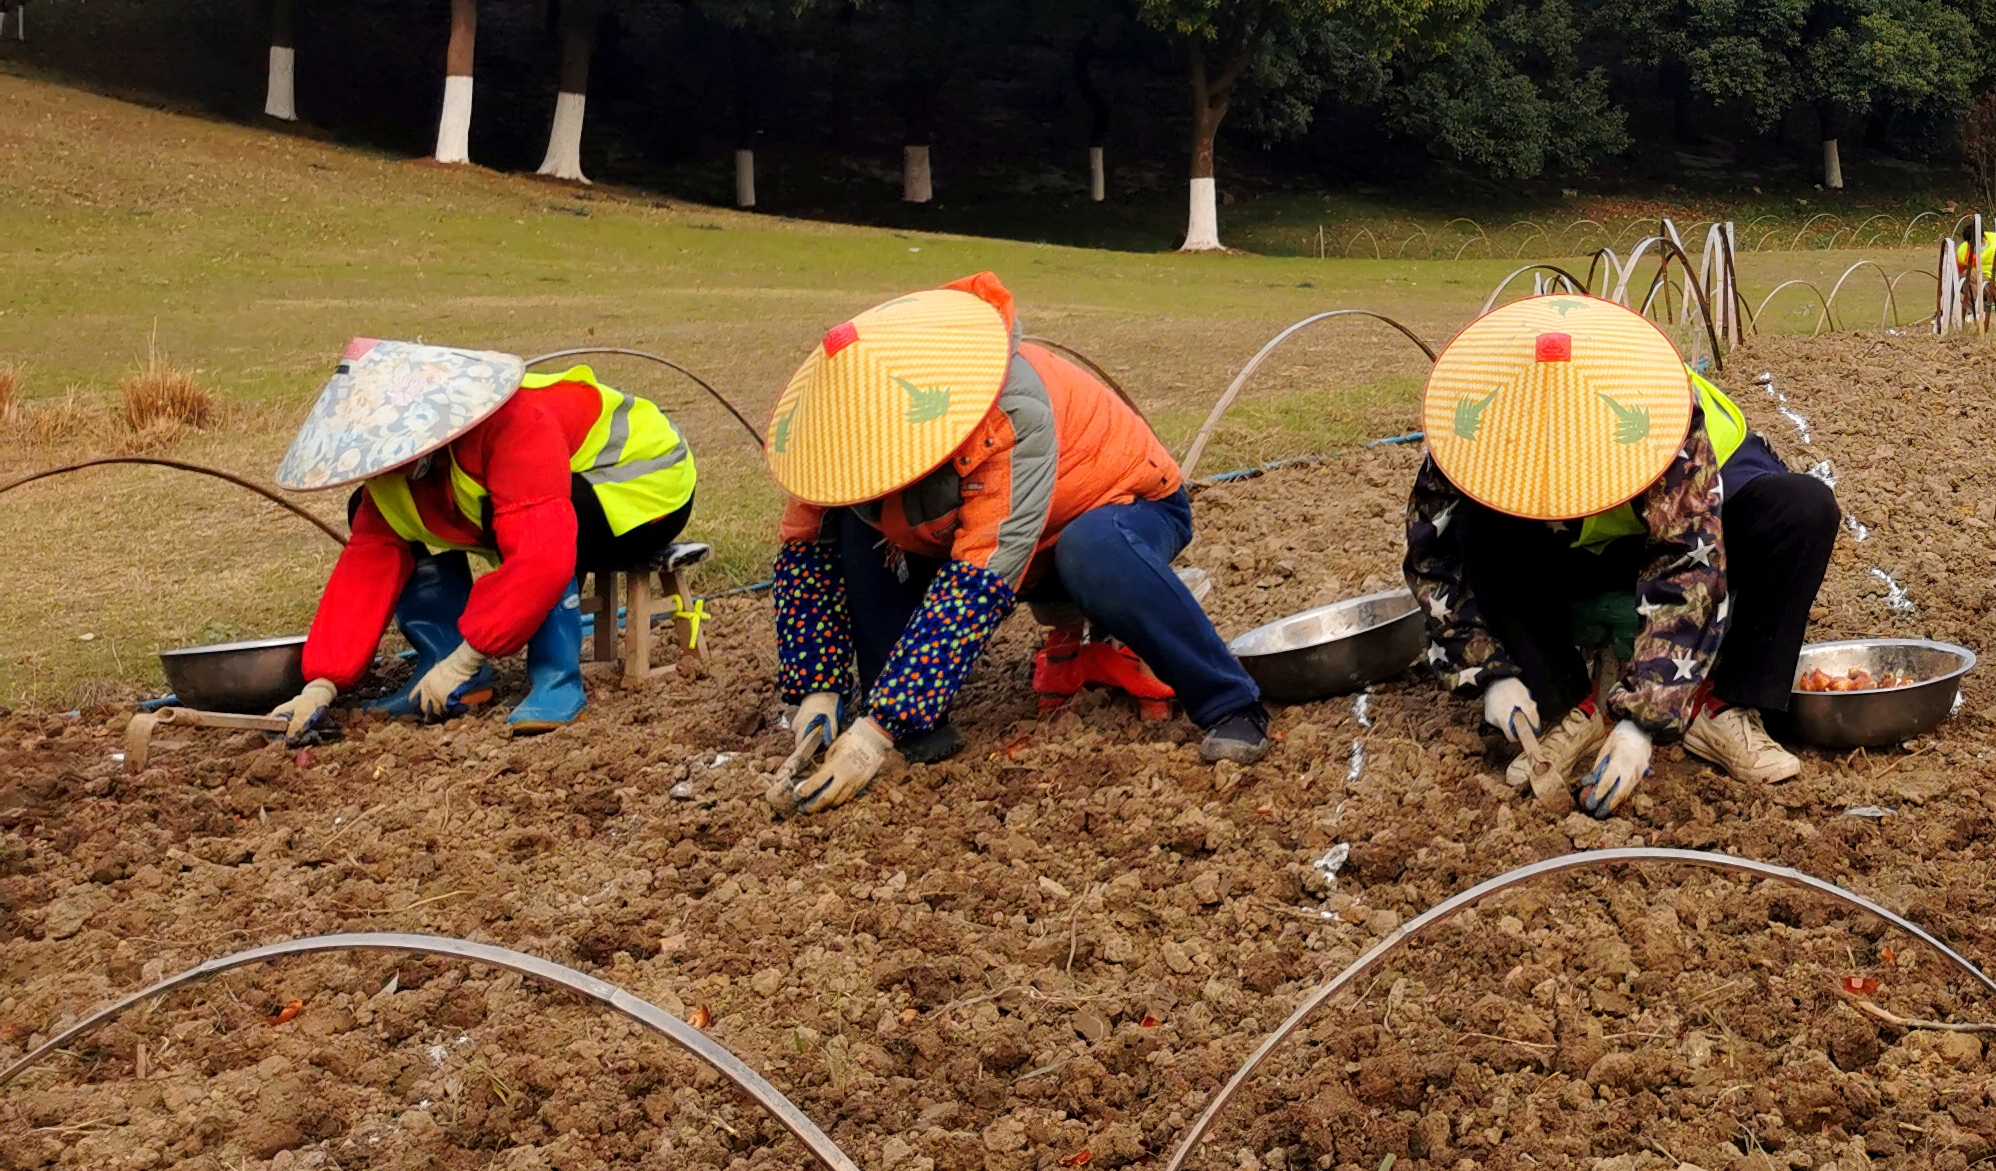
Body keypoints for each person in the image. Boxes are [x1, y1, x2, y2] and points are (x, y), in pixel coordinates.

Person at [762, 274, 1269, 817]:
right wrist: (817, 689)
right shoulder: (835, 442)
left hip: (1119, 511)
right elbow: (807, 553)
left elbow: (981, 572)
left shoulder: (1008, 410)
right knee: (858, 528)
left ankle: (1229, 703)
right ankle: (918, 724)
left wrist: (874, 733)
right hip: (968, 533)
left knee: (1090, 549)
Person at [1407, 295, 1839, 816]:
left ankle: (1720, 705)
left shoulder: (1657, 410)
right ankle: (1567, 705)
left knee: (1803, 508)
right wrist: (1488, 670)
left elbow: (1687, 560)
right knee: (1479, 523)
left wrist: (1643, 719)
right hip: (1574, 545)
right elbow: (1435, 550)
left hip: (1703, 527)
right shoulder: (1472, 422)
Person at [266, 342, 698, 742]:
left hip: (642, 488)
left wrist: (470, 654)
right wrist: (320, 685)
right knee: (369, 509)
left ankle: (556, 679)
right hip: (561, 495)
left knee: (528, 522)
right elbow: (367, 567)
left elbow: (541, 556)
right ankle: (449, 668)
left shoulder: (517, 423)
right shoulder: (398, 472)